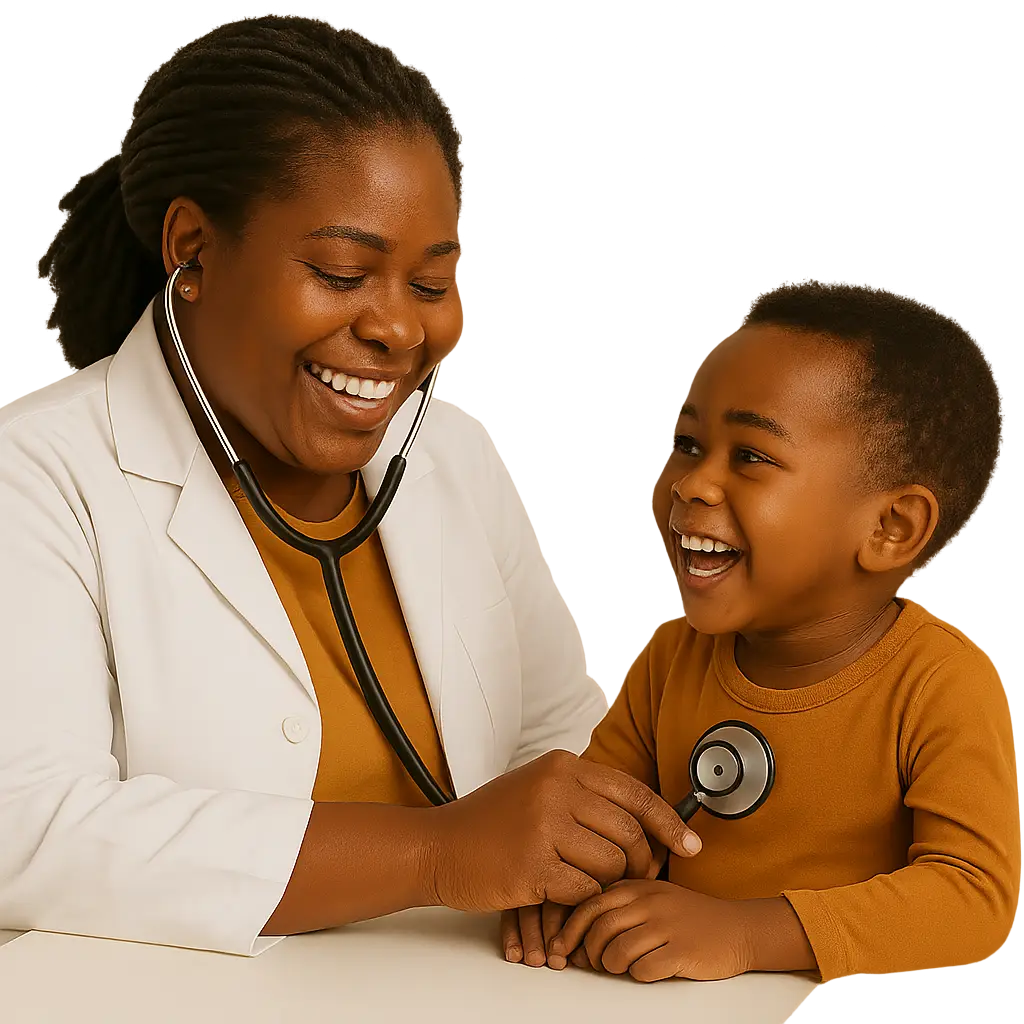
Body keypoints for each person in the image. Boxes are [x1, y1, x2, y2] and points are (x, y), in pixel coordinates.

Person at [0, 15, 702, 956]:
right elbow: (30, 833)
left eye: (430, 282)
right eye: (342, 273)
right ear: (192, 250)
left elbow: (558, 736)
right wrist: (438, 855)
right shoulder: (40, 476)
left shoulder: (454, 457)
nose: (398, 330)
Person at [502, 281, 1019, 981]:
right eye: (688, 443)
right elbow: (598, 812)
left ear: (889, 528)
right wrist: (560, 879)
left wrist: (748, 934)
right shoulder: (672, 656)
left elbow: (973, 899)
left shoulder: (940, 686)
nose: (691, 484)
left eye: (750, 456)